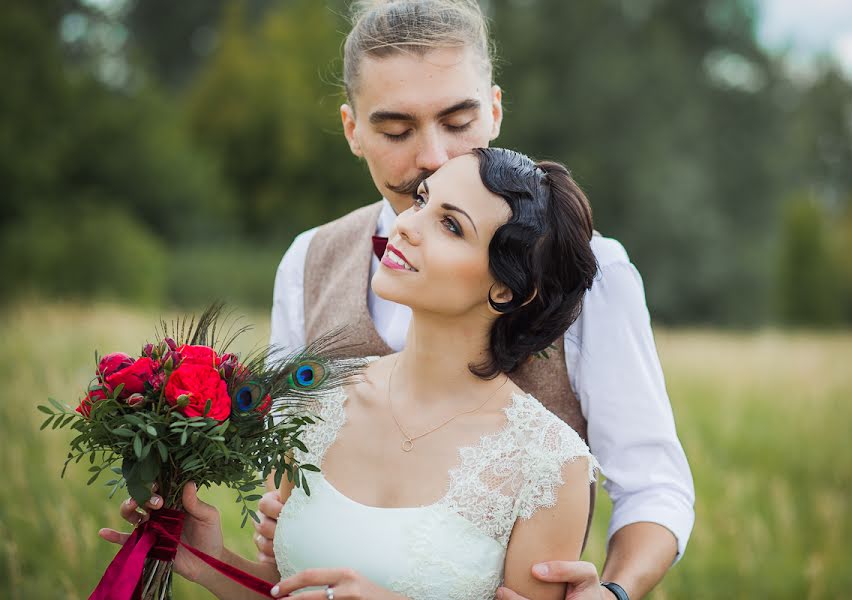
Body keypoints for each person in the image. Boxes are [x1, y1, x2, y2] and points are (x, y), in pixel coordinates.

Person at [116, 1, 695, 598]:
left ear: (494, 109)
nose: (433, 158)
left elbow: (653, 483)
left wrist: (616, 592)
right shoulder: (306, 264)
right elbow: (284, 503)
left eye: (458, 121)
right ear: (352, 130)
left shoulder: (593, 275)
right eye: (396, 130)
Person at [103, 147, 605, 599]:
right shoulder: (317, 397)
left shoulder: (550, 464)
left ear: (507, 290)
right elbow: (285, 592)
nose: (407, 224)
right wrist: (209, 562)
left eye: (451, 225)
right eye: (422, 200)